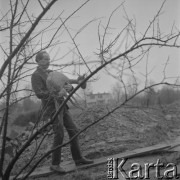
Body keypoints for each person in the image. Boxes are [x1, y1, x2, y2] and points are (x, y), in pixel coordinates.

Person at [31, 51, 93, 173]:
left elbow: (65, 83)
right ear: (38, 61)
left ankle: (78, 158)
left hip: (62, 106)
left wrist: (70, 87)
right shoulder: (36, 75)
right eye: (45, 59)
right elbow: (39, 93)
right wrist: (56, 93)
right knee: (59, 134)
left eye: (49, 59)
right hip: (51, 109)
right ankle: (55, 164)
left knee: (73, 130)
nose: (48, 61)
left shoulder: (51, 73)